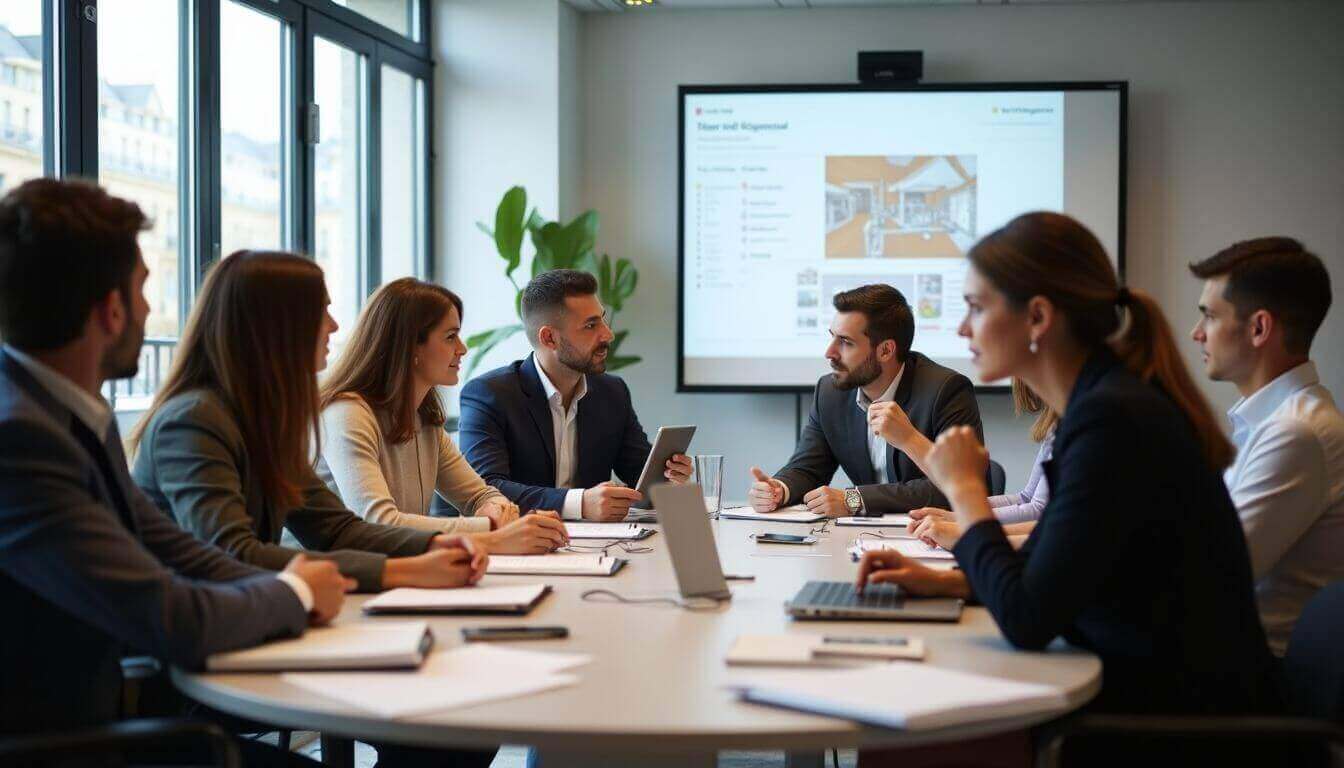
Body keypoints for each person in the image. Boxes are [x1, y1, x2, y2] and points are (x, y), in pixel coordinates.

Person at [856, 212, 1282, 724]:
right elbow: (1046, 576)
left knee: (914, 727)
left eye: (975, 307)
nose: (962, 327)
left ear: (1037, 318)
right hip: (1143, 698)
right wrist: (943, 583)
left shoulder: (1113, 421)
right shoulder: (1101, 405)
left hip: (1171, 730)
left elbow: (1027, 619)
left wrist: (966, 490)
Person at [0, 179, 346, 765]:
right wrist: (293, 591)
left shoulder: (67, 410)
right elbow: (173, 616)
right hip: (67, 743)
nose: (147, 310)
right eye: (142, 290)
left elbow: (170, 547)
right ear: (110, 310)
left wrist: (294, 587)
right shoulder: (22, 437)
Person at [130, 251, 488, 595]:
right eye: (322, 312)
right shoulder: (193, 422)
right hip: (189, 644)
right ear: (276, 326)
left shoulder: (264, 421)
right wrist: (403, 570)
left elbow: (337, 530)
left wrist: (437, 544)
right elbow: (233, 552)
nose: (333, 326)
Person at [318, 277, 570, 554]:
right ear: (410, 347)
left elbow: (479, 494)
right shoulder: (346, 414)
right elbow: (379, 522)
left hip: (404, 573)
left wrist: (504, 514)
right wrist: (493, 527)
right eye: (451, 336)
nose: (462, 348)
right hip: (346, 585)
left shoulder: (423, 419)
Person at [1190, 237, 1343, 656]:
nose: (1196, 332)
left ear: (1259, 328)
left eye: (1209, 316)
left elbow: (1208, 575)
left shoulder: (1297, 432)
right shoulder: (1271, 424)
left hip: (1245, 679)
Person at [459, 269, 692, 520]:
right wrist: (579, 503)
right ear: (549, 338)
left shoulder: (612, 392)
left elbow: (640, 474)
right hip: (521, 547)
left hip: (597, 548)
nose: (607, 334)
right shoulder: (489, 395)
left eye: (602, 320)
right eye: (591, 325)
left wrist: (668, 476)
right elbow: (487, 489)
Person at [746, 284, 983, 518]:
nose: (829, 352)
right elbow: (807, 468)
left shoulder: (946, 390)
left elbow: (957, 488)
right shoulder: (830, 392)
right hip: (865, 538)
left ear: (886, 351)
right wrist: (779, 489)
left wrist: (854, 499)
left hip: (931, 539)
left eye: (846, 342)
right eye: (832, 337)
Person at [901, 379, 1056, 550]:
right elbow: (1027, 498)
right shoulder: (1058, 422)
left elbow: (1039, 512)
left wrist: (967, 526)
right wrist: (956, 517)